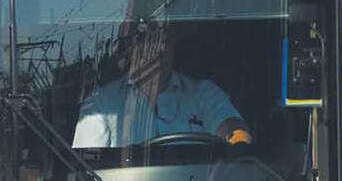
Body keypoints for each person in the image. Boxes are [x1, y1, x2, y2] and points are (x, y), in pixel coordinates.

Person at [71, 24, 252, 150]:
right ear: (130, 47)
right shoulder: (101, 105)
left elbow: (232, 129)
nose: (153, 49)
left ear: (172, 44)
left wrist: (237, 140)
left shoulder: (203, 93)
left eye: (160, 40)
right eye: (143, 40)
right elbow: (88, 172)